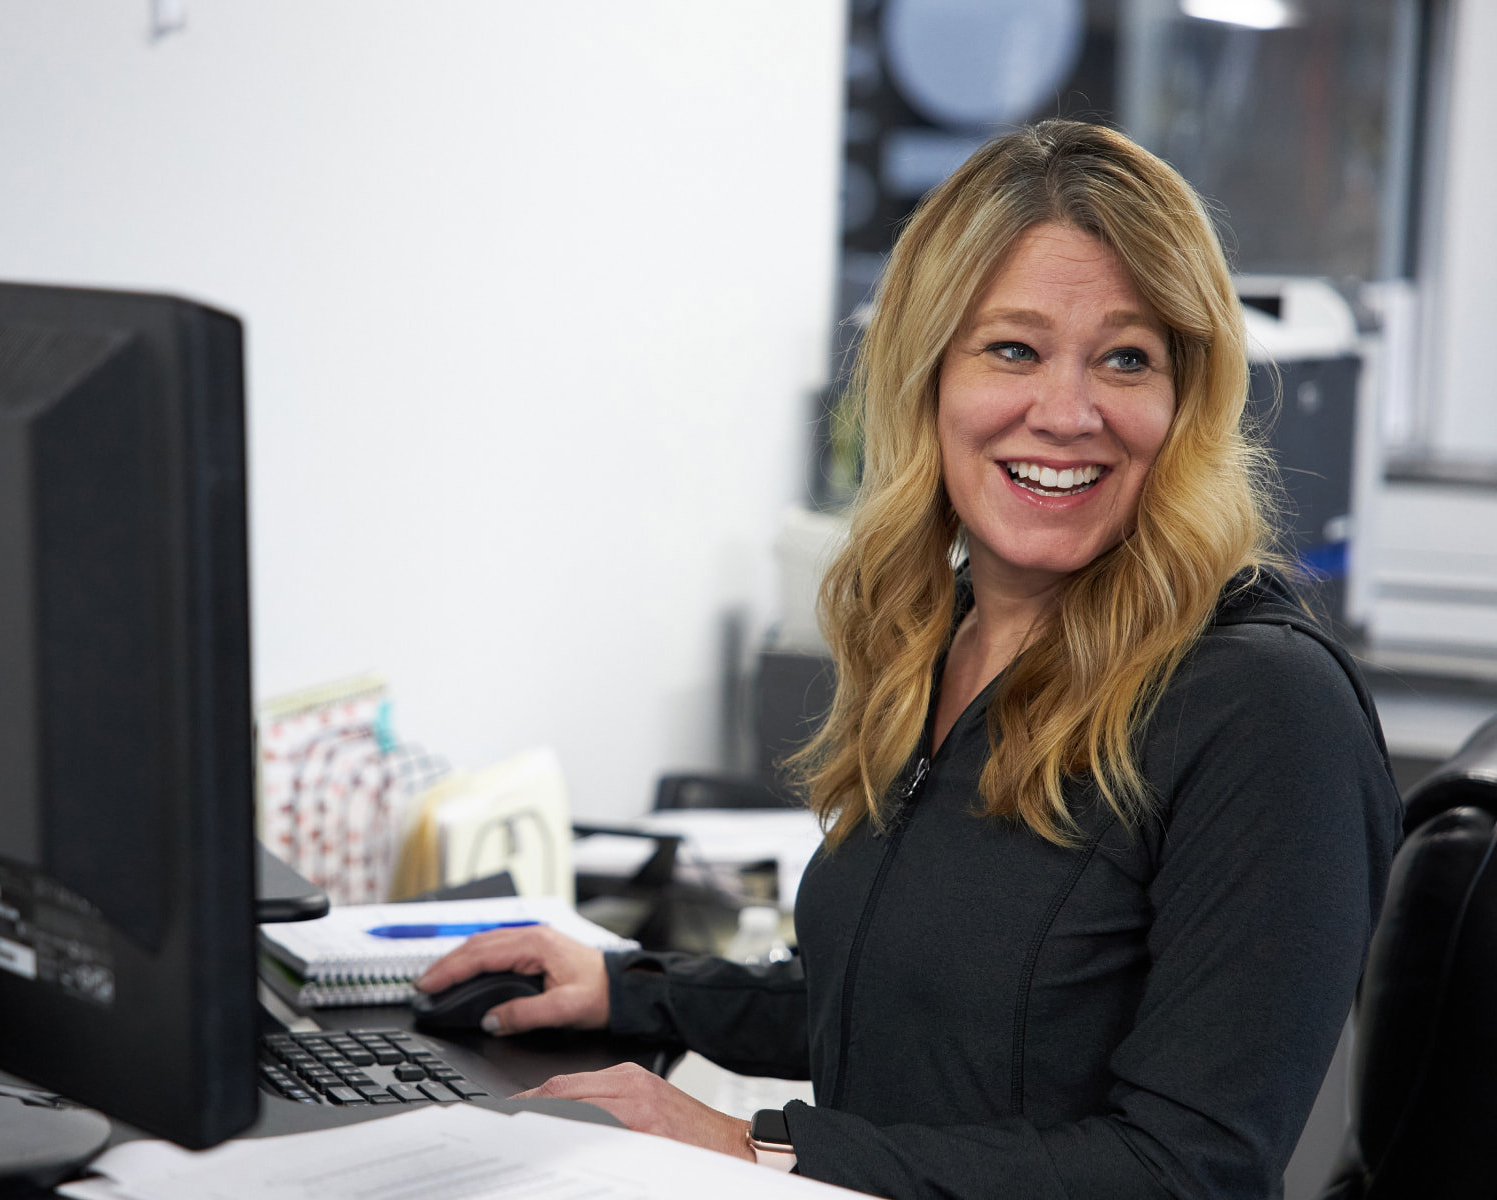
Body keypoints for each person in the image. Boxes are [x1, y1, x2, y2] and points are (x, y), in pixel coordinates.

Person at [415, 120, 1402, 1199]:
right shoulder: (949, 633)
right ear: (925, 374)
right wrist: (633, 990)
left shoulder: (1264, 709)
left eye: (1127, 358)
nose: (1067, 414)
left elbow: (1186, 1170)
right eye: (1013, 349)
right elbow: (918, 1005)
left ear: (1185, 399)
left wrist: (753, 1147)